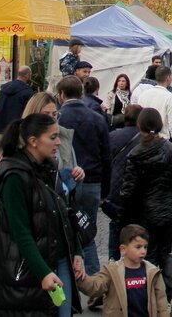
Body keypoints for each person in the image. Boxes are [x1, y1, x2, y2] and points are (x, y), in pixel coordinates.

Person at [0, 114, 85, 317]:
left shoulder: (49, 169)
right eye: (52, 137)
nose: (58, 143)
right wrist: (43, 272)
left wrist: (77, 251)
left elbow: (65, 215)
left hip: (59, 261)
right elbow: (21, 232)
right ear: (33, 141)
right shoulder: (15, 176)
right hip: (27, 269)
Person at [118, 108, 172, 315]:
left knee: (148, 254)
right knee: (165, 252)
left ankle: (154, 297)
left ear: (139, 125)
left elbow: (128, 190)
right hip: (168, 209)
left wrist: (123, 215)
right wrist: (171, 199)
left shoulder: (136, 154)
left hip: (144, 212)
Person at [57, 75, 111, 277]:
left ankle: (68, 275)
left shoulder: (58, 118)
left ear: (61, 94)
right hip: (91, 180)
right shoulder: (96, 118)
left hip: (64, 180)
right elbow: (106, 156)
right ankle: (93, 279)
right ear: (81, 93)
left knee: (63, 231)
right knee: (86, 230)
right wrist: (105, 190)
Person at [78, 224, 171, 317]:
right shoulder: (112, 271)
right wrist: (80, 278)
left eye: (145, 247)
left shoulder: (152, 272)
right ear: (123, 249)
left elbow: (161, 302)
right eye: (138, 247)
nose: (143, 251)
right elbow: (95, 286)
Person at [23, 92, 85, 190]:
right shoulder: (19, 145)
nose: (52, 118)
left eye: (54, 114)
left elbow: (72, 169)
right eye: (46, 114)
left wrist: (77, 174)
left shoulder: (64, 137)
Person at [108, 105, 144, 262]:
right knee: (137, 225)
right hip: (137, 190)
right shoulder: (144, 139)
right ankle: (136, 257)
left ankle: (113, 258)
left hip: (116, 187)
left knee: (116, 223)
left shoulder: (113, 136)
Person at [133, 67, 172, 144]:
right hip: (162, 140)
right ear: (168, 78)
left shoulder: (143, 95)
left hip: (145, 140)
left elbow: (138, 118)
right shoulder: (170, 97)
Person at [0, 66, 34, 135]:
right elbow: (29, 112)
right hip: (16, 128)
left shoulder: (4, 89)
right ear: (27, 75)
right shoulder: (28, 92)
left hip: (0, 127)